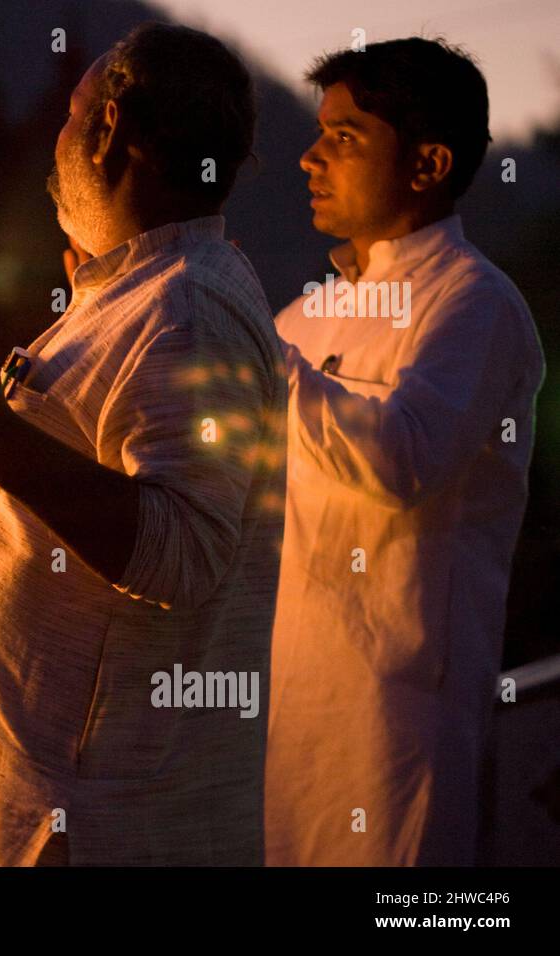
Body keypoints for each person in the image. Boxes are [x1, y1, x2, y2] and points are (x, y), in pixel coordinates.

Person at [0, 23, 287, 866]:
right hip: (9, 785)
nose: (55, 145)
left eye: (69, 116)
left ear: (112, 126)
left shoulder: (189, 309)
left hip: (64, 821)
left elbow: (187, 552)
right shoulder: (141, 291)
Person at [265, 38, 545, 866]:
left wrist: (255, 357)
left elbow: (405, 457)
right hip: (280, 724)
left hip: (394, 733)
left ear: (427, 164)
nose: (311, 156)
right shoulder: (302, 318)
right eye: (318, 133)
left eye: (346, 137)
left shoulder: (475, 303)